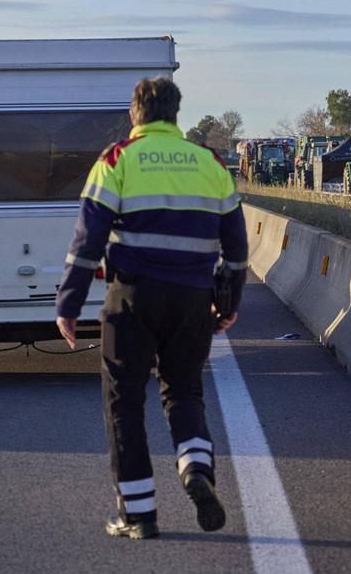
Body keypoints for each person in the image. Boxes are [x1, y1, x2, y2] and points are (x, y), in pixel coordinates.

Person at [55, 77, 248, 540]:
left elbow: (88, 240)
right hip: (191, 299)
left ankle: (138, 515)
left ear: (134, 113)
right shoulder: (210, 162)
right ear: (175, 113)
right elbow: (237, 247)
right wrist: (227, 302)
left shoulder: (116, 159)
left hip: (132, 297)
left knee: (125, 400)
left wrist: (69, 303)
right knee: (183, 390)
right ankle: (195, 467)